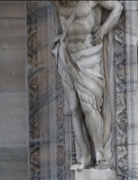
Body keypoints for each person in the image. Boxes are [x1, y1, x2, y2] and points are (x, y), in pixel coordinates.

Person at [50, 0, 123, 170]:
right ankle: (85, 155)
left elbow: (118, 7)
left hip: (89, 55)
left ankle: (99, 153)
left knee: (89, 107)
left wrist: (103, 29)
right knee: (74, 108)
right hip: (66, 55)